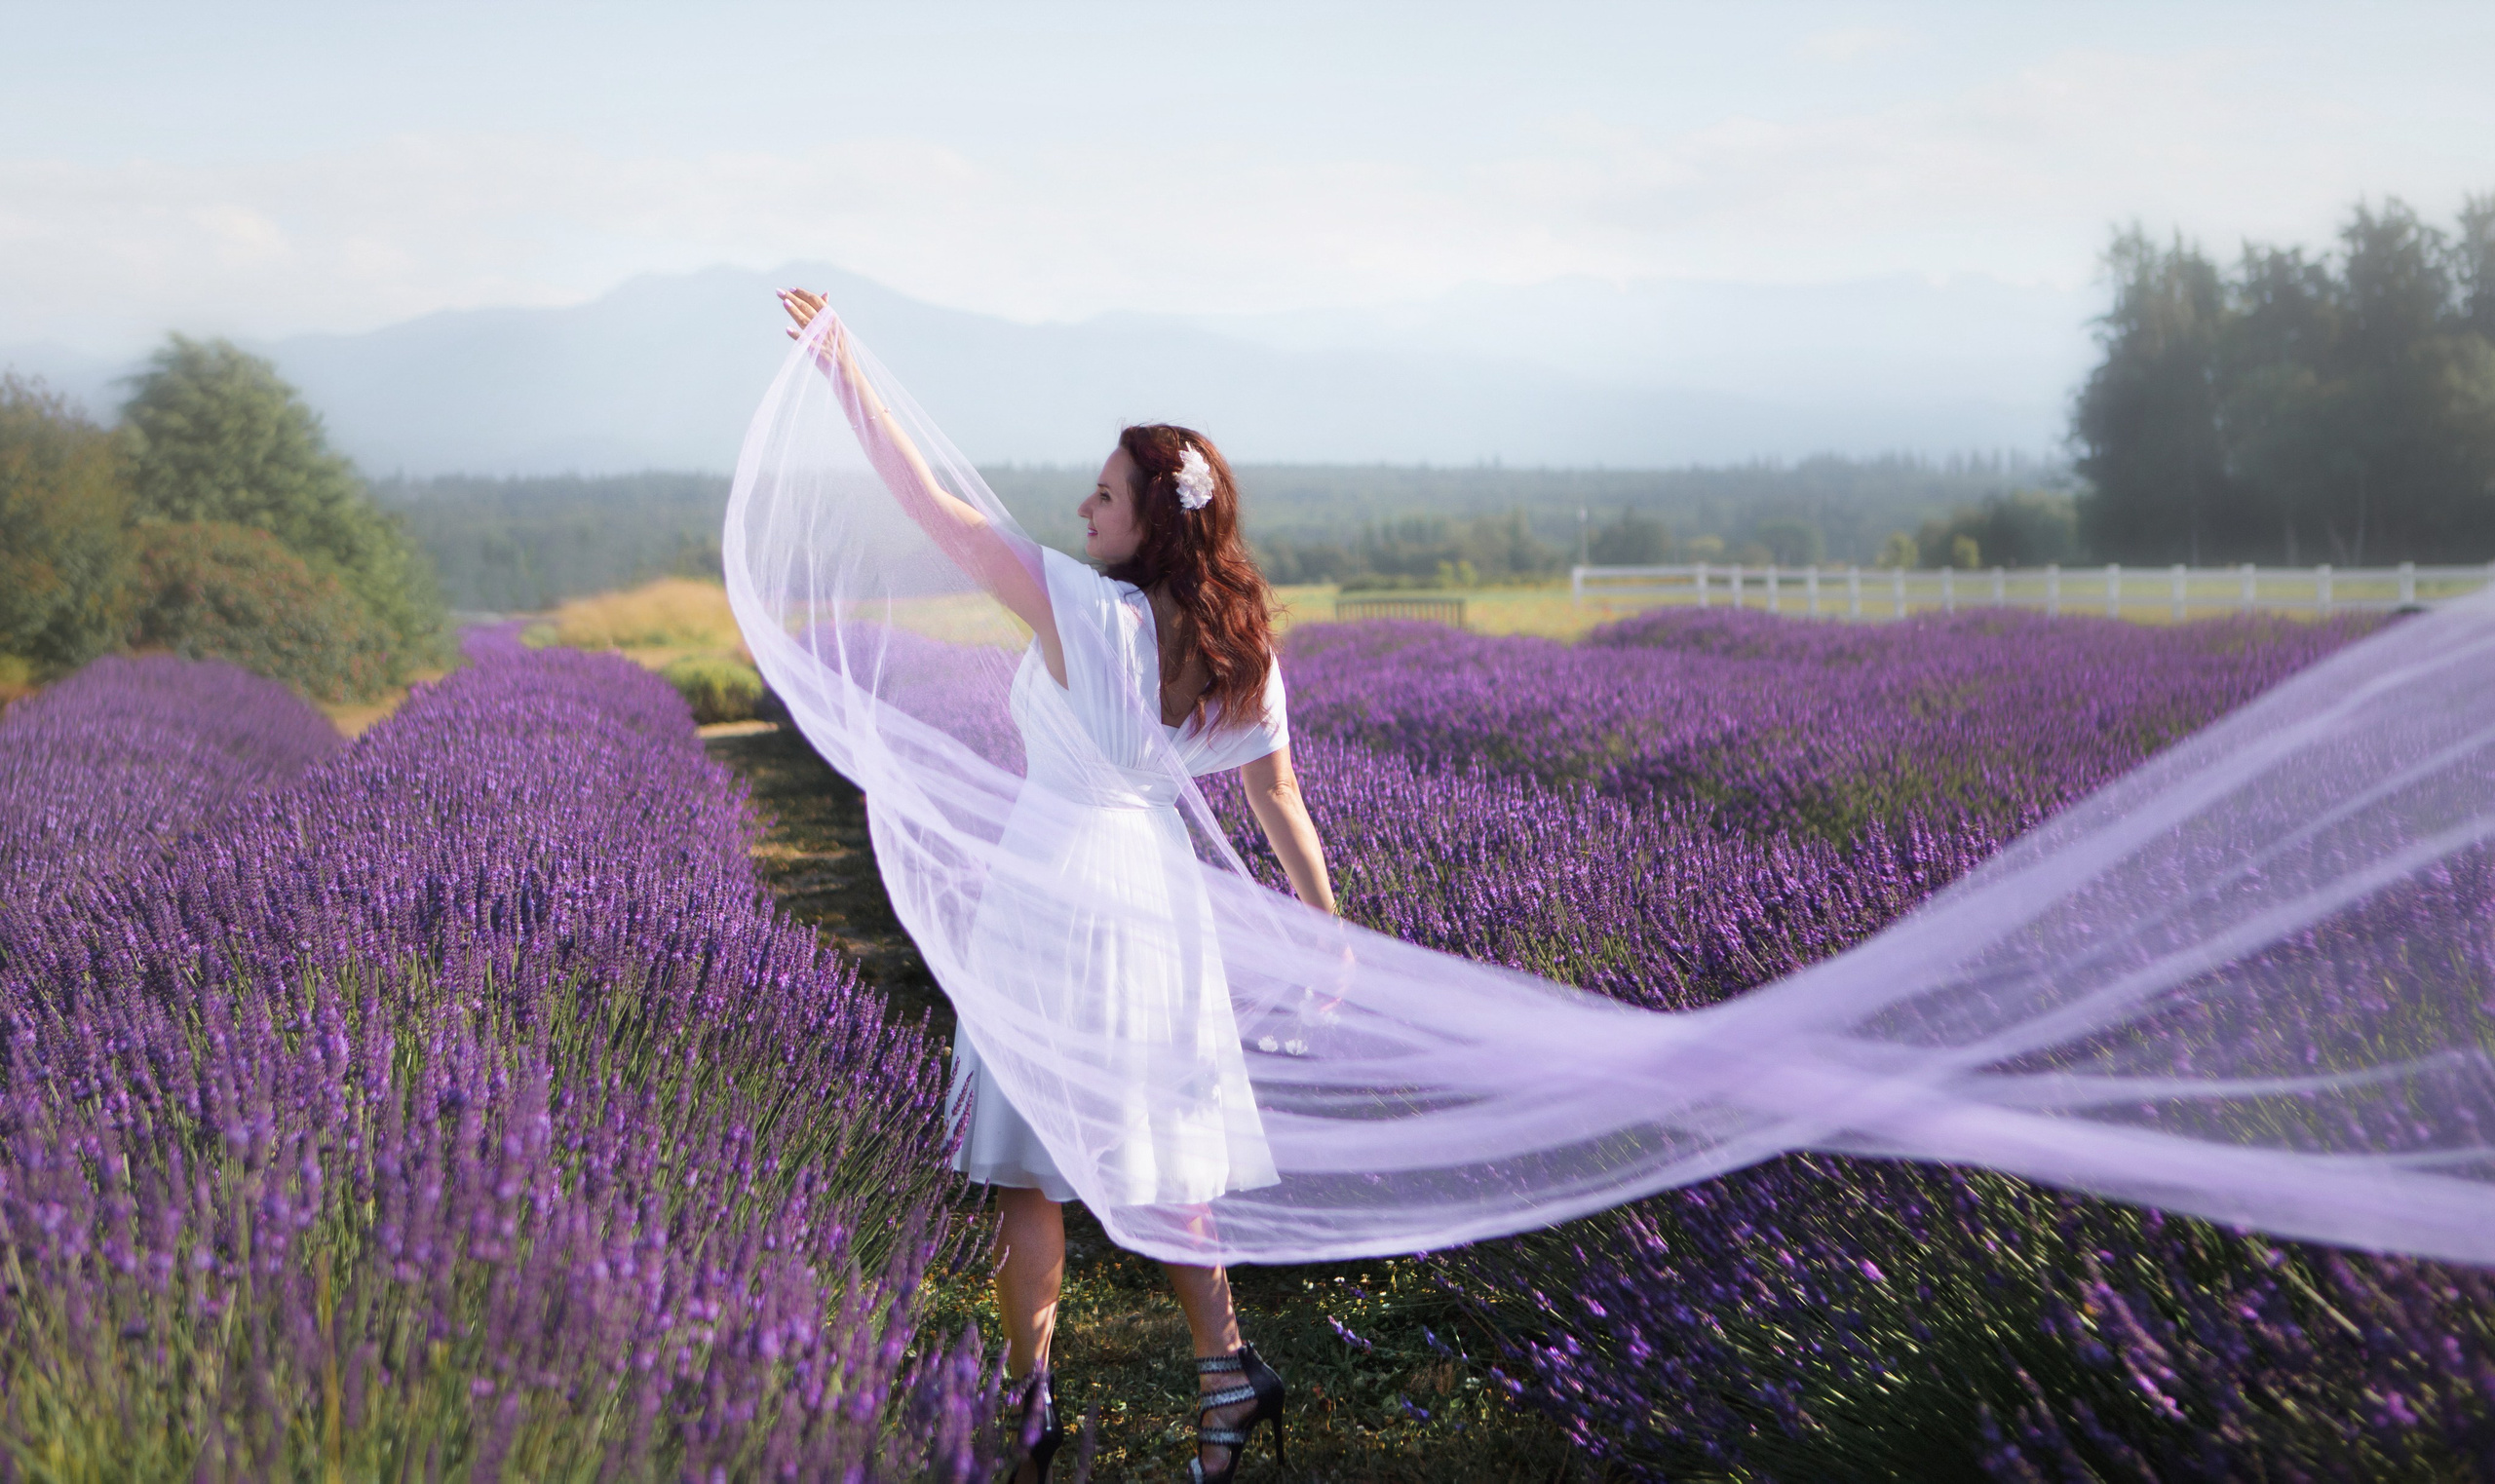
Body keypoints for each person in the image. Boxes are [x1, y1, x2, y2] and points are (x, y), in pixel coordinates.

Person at [777, 287, 1334, 1484]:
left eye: (1101, 495)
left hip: (1056, 889)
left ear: (1149, 522)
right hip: (1157, 905)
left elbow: (930, 505)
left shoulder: (1083, 609)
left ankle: (1029, 1403)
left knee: (1027, 1166)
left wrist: (842, 370)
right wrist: (1329, 927)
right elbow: (1277, 798)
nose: (1080, 507)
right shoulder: (1237, 643)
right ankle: (1226, 1373)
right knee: (1165, 1149)